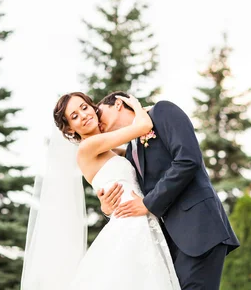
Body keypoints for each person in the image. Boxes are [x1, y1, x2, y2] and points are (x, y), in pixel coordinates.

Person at [21, 92, 180, 289]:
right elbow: (143, 127)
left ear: (92, 107)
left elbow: (136, 156)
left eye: (84, 107)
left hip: (140, 221)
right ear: (70, 128)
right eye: (74, 116)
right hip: (128, 226)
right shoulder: (88, 147)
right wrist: (137, 106)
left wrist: (106, 208)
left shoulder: (112, 151)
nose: (84, 115)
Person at [96, 91, 240, 289]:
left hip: (198, 229)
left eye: (99, 112)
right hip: (169, 242)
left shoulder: (163, 111)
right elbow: (134, 192)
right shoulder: (132, 148)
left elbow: (188, 159)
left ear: (118, 104)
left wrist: (149, 203)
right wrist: (108, 209)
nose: (96, 119)